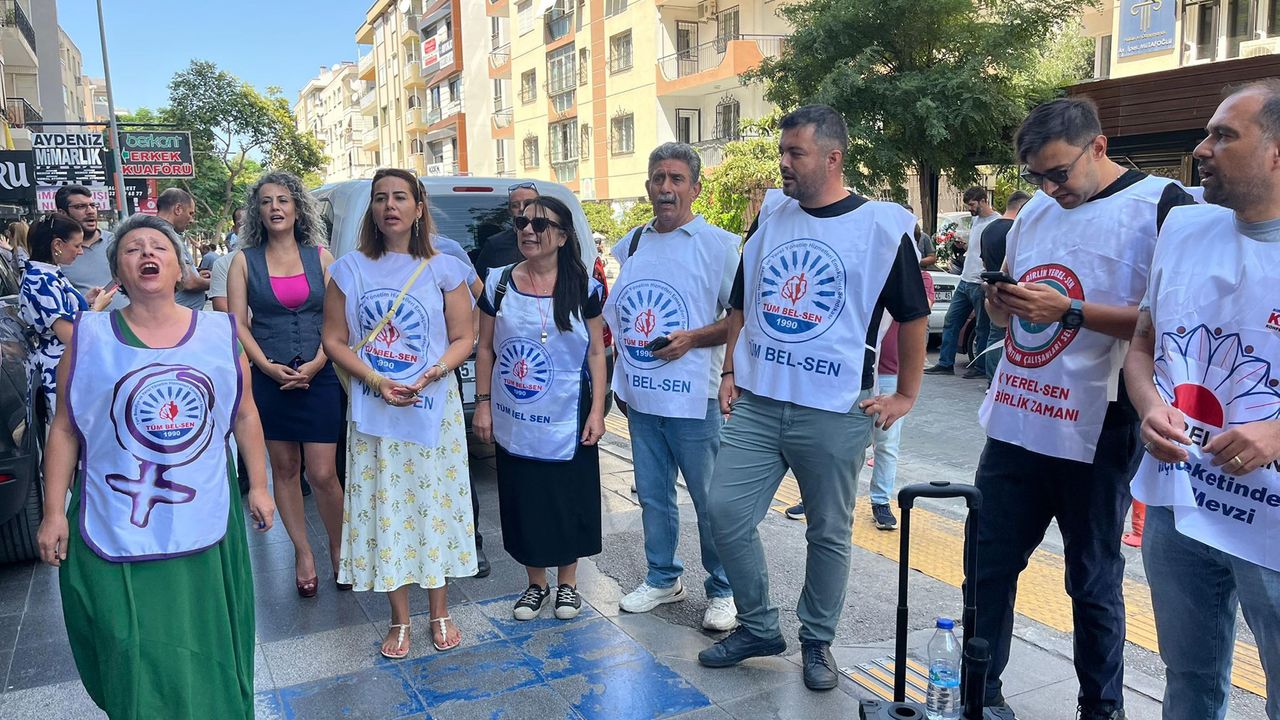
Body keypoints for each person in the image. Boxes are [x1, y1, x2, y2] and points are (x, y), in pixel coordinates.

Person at [698, 105, 929, 691]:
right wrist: (730, 370)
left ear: (832, 158)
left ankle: (817, 640)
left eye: (795, 153)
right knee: (724, 512)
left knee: (827, 531)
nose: (784, 163)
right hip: (759, 401)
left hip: (835, 408)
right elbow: (741, 302)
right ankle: (758, 626)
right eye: (782, 152)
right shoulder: (771, 216)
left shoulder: (881, 228)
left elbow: (913, 314)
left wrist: (905, 394)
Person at [973, 98, 1182, 720]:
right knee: (986, 566)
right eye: (1036, 176)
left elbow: (1169, 321)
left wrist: (1067, 311)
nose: (1049, 188)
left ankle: (1101, 707)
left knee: (1091, 579)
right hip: (1017, 415)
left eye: (1059, 173)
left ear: (1099, 146)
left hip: (1102, 421)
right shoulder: (1035, 212)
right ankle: (979, 693)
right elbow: (1004, 310)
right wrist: (1003, 302)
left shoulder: (1162, 206)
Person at [35, 213, 276, 719]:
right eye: (133, 248)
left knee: (208, 637)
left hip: (203, 513)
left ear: (180, 266)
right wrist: (53, 513)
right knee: (128, 643)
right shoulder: (89, 338)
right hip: (114, 515)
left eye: (159, 247)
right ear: (117, 272)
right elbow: (65, 428)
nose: (147, 253)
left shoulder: (218, 333)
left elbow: (245, 413)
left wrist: (259, 485)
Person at [1126, 81, 1280, 720]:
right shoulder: (1184, 228)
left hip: (1271, 520)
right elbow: (1142, 345)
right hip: (1179, 503)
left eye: (1224, 135)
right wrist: (1148, 406)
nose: (1201, 149)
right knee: (1188, 678)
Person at [323, 168, 477, 658]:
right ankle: (400, 618)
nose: (390, 206)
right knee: (386, 508)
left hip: (433, 410)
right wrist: (376, 380)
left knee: (434, 505)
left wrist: (434, 373)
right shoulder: (348, 270)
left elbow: (465, 337)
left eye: (400, 197)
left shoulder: (444, 268)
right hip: (376, 411)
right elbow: (333, 339)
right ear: (371, 209)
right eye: (380, 198)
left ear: (418, 207)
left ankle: (440, 611)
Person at [604, 142, 740, 631]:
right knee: (653, 495)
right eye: (658, 178)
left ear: (695, 188)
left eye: (677, 179)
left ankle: (724, 590)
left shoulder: (718, 246)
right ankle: (663, 577)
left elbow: (741, 318)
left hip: (695, 399)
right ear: (647, 187)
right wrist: (622, 378)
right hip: (642, 397)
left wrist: (693, 339)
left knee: (709, 500)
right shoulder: (633, 243)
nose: (666, 188)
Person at [472, 195, 607, 623]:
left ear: (563, 237)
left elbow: (597, 353)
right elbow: (485, 349)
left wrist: (598, 410)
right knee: (524, 497)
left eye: (541, 225)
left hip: (569, 412)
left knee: (567, 496)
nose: (528, 231)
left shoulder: (583, 287)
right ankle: (536, 584)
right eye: (523, 223)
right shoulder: (498, 283)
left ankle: (568, 583)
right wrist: (482, 405)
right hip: (516, 413)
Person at [228, 172, 345, 598]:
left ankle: (339, 548)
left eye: (283, 199)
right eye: (266, 201)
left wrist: (317, 363)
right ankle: (303, 553)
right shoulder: (244, 261)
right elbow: (238, 324)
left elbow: (338, 320)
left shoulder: (322, 258)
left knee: (324, 472)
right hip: (270, 378)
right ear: (256, 212)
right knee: (285, 469)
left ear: (297, 207)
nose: (275, 207)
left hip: (320, 373)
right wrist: (267, 367)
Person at [18, 215, 116, 417]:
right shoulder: (44, 280)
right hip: (62, 366)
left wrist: (84, 301)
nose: (80, 251)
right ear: (57, 245)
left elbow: (60, 314)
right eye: (77, 246)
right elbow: (69, 335)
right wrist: (96, 309)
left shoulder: (45, 273)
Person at [926, 186, 999, 378]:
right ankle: (945, 363)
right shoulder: (976, 220)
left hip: (980, 281)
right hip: (965, 279)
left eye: (973, 205)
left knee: (982, 326)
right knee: (951, 320)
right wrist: (963, 247)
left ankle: (981, 367)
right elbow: (975, 250)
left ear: (984, 200)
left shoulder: (996, 222)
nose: (970, 209)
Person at [977, 190, 1031, 381]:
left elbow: (984, 261)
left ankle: (991, 379)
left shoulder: (988, 229)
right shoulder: (1018, 230)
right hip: (1017, 294)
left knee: (993, 336)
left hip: (993, 291)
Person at [57, 185, 125, 310]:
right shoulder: (56, 253)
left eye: (93, 205)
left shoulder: (117, 242)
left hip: (128, 321)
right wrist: (86, 304)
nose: (90, 211)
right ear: (62, 213)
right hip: (85, 321)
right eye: (80, 206)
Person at [156, 188, 211, 311]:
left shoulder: (159, 232)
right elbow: (189, 282)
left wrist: (196, 274)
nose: (191, 220)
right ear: (178, 209)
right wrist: (220, 281)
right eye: (190, 213)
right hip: (178, 315)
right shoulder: (167, 235)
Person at [475, 181, 540, 281]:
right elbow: (480, 284)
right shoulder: (495, 245)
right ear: (510, 211)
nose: (522, 208)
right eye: (515, 205)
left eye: (528, 203)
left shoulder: (552, 238)